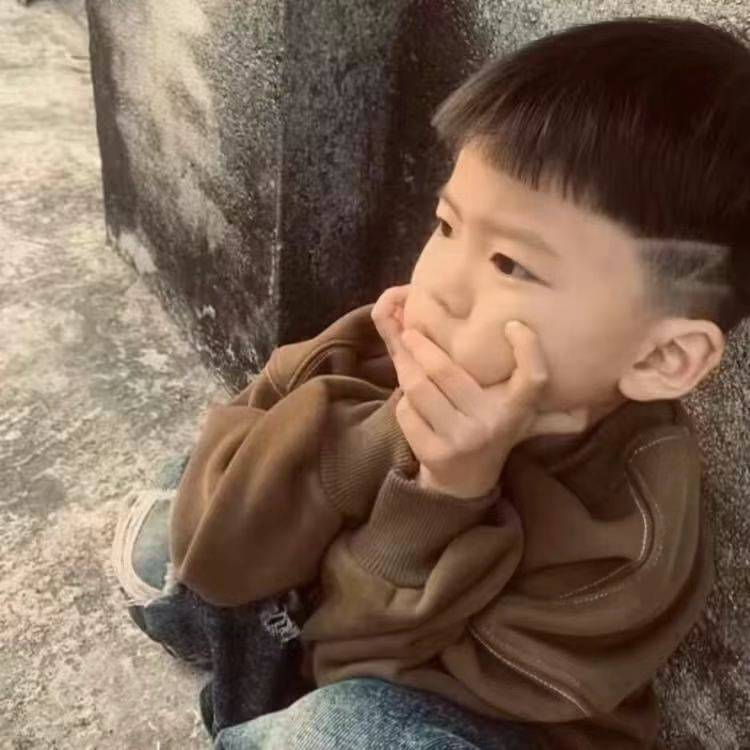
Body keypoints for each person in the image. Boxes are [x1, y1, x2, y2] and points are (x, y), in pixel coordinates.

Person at [111, 15, 750, 750]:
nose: (439, 284)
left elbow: (353, 673)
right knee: (179, 523)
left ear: (660, 359)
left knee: (339, 731)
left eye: (511, 264)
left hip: (448, 706)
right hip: (313, 624)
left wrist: (443, 490)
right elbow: (228, 520)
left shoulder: (626, 537)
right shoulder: (389, 338)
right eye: (446, 226)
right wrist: (389, 433)